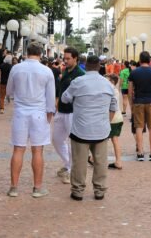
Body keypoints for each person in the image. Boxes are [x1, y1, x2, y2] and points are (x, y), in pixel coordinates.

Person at [60, 55, 117, 201]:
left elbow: (64, 98)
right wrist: (106, 123)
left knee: (79, 162)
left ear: (85, 65)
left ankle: (78, 191)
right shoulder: (107, 84)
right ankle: (99, 190)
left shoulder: (78, 82)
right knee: (101, 162)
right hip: (101, 130)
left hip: (80, 129)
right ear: (99, 66)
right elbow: (113, 107)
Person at [6, 44, 56, 198]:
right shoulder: (46, 71)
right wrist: (49, 114)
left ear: (27, 53)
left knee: (18, 150)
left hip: (21, 112)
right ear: (40, 54)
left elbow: (9, 91)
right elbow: (50, 96)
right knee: (37, 150)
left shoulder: (16, 68)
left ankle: (14, 187)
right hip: (39, 113)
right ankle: (37, 187)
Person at [52, 47, 85, 185]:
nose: (65, 61)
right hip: (61, 110)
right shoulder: (65, 71)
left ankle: (71, 170)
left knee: (73, 143)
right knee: (56, 139)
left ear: (75, 58)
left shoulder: (80, 74)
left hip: (73, 112)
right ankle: (67, 163)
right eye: (64, 58)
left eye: (68, 58)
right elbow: (61, 89)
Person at [128, 51, 151, 161]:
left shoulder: (134, 73)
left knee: (139, 127)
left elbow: (130, 91)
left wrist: (131, 105)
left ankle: (140, 153)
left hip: (138, 102)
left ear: (139, 60)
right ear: (149, 60)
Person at [106, 73, 124, 170]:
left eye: (107, 80)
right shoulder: (116, 90)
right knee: (115, 140)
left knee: (105, 140)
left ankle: (118, 161)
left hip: (112, 118)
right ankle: (118, 161)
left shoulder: (110, 90)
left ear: (112, 82)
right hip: (118, 118)